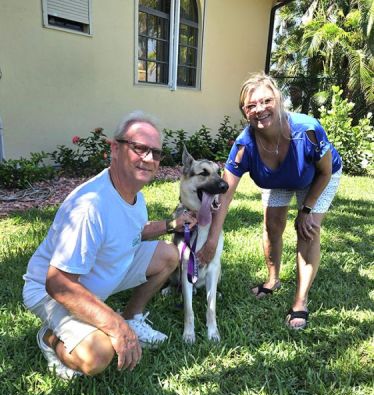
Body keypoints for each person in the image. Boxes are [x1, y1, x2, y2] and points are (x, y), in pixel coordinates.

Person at [22, 111, 197, 379]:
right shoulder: (90, 207)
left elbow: (133, 230)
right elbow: (57, 283)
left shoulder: (132, 192)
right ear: (115, 149)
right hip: (52, 290)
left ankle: (132, 317)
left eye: (156, 153)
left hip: (100, 272)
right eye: (139, 148)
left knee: (168, 254)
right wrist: (113, 326)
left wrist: (170, 225)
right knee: (99, 356)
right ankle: (48, 338)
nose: (149, 158)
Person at [197, 72, 342, 330]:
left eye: (266, 101)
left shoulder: (307, 130)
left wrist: (306, 209)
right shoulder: (244, 146)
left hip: (316, 176)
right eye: (251, 105)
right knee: (272, 226)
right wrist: (210, 242)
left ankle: (300, 301)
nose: (259, 109)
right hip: (280, 178)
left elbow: (326, 171)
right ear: (244, 112)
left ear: (279, 99)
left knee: (307, 231)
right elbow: (224, 197)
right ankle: (272, 280)